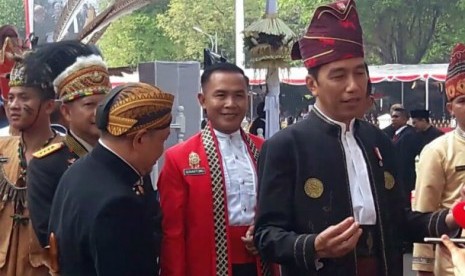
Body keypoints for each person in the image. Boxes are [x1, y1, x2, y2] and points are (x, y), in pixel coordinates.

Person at [253, 1, 460, 276]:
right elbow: (266, 235)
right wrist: (313, 245)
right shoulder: (285, 146)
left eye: (359, 72)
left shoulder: (379, 142)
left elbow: (400, 221)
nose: (353, 86)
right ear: (312, 85)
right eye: (339, 75)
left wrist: (452, 216)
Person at [48, 82, 173, 275]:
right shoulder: (118, 204)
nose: (161, 151)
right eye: (162, 140)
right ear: (140, 139)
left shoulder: (77, 172)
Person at [158, 63, 270, 276]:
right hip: (205, 266)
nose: (230, 104)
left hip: (261, 264)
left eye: (239, 96)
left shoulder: (265, 149)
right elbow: (172, 234)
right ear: (202, 100)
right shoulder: (179, 158)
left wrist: (266, 233)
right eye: (220, 95)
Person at [27, 41, 110, 248]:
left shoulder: (127, 155)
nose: (98, 113)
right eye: (89, 105)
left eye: (104, 105)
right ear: (66, 112)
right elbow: (49, 235)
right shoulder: (47, 165)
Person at [0, 50, 62, 275]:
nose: (14, 105)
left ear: (48, 106)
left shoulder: (69, 157)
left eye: (24, 97)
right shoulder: (2, 149)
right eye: (11, 97)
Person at [412, 43, 465, 276]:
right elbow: (423, 217)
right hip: (451, 266)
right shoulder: (438, 151)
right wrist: (422, 269)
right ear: (450, 107)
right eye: (463, 101)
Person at [390, 107, 419, 199]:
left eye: (396, 117)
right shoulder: (397, 134)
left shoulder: (408, 135)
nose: (393, 119)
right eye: (392, 117)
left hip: (404, 176)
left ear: (405, 119)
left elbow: (404, 158)